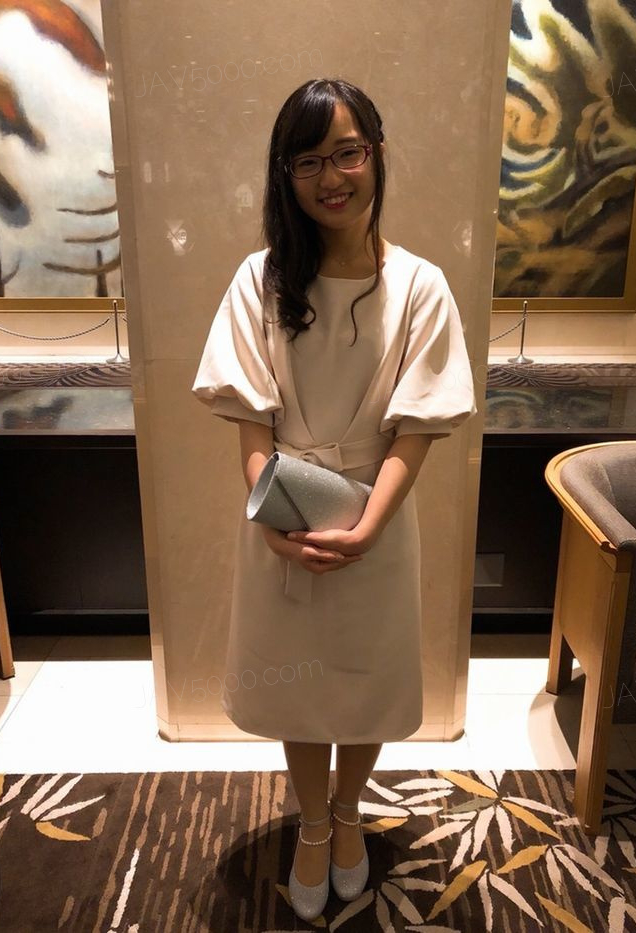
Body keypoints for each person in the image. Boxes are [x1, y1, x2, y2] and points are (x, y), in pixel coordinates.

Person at [192, 77, 476, 922]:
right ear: (285, 174)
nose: (331, 177)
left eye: (346, 153)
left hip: (379, 517)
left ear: (377, 153)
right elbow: (250, 420)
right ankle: (313, 823)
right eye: (308, 160)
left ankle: (350, 811)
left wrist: (368, 526)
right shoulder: (260, 279)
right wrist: (276, 521)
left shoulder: (421, 284)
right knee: (302, 682)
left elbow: (417, 429)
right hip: (283, 510)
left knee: (366, 677)